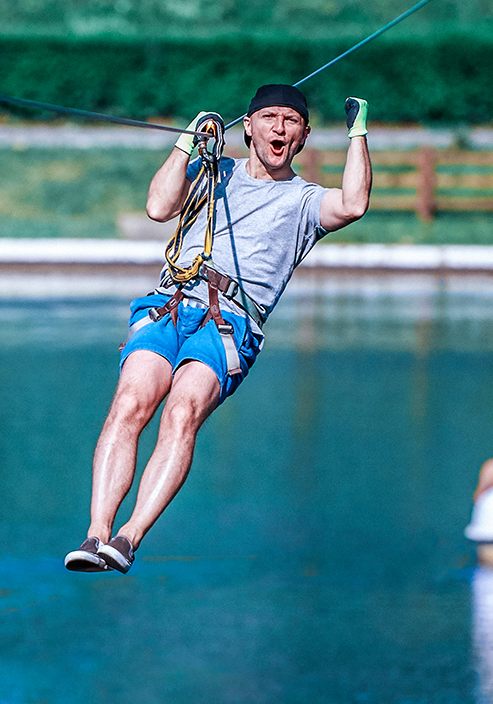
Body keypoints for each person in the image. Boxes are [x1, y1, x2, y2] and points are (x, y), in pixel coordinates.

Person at [65, 84, 372, 574]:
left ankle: (127, 538)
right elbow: (158, 207)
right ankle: (96, 532)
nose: (279, 128)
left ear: (304, 136)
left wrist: (357, 131)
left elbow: (354, 204)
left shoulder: (305, 201)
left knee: (181, 413)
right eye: (268, 117)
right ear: (247, 127)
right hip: (169, 302)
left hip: (228, 321)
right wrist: (187, 142)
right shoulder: (214, 173)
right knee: (130, 404)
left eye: (290, 121)